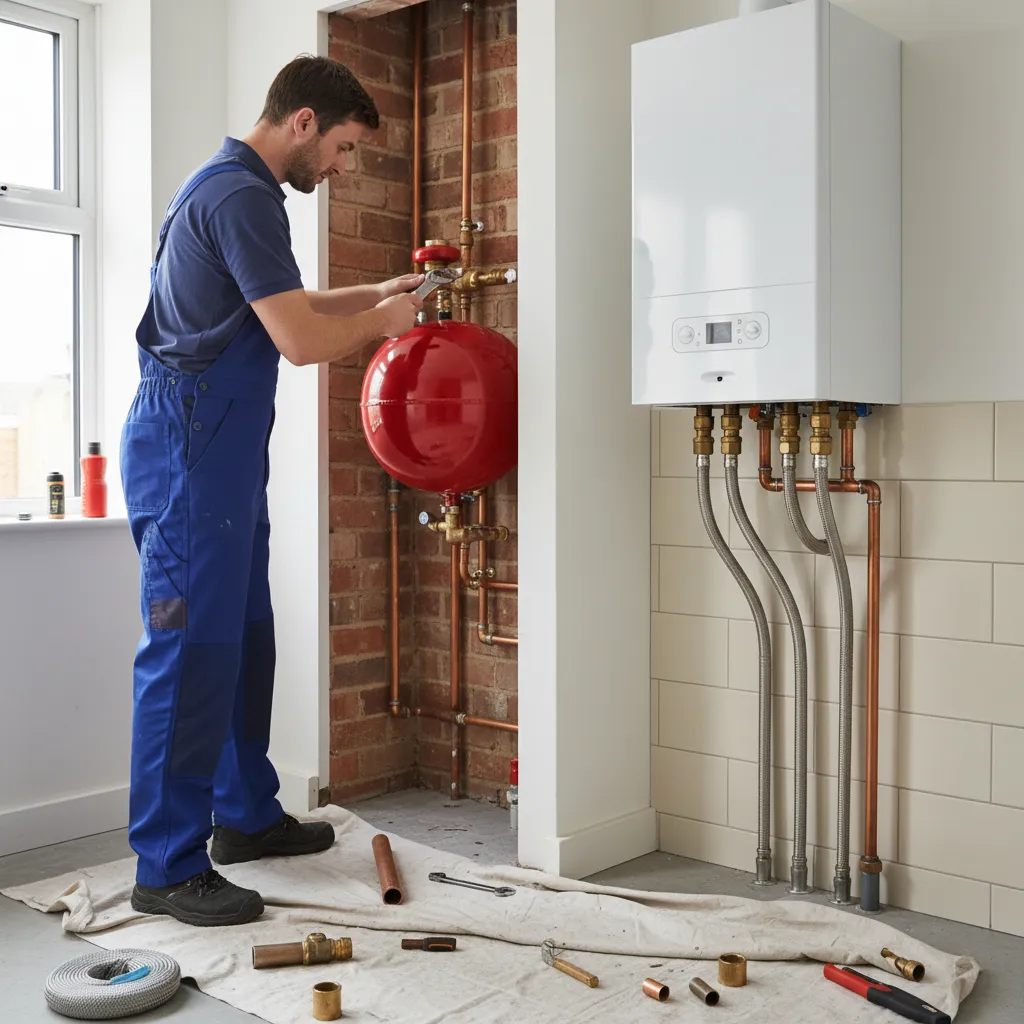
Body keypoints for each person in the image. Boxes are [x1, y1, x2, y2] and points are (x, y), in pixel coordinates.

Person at [120, 55, 422, 927]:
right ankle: (166, 863)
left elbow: (280, 300)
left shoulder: (224, 183)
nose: (340, 168)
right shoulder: (243, 194)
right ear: (301, 123)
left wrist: (373, 291)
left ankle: (244, 816)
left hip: (217, 460)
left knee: (247, 639)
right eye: (341, 148)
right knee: (188, 655)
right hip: (188, 460)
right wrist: (384, 325)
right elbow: (294, 339)